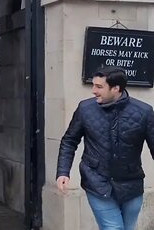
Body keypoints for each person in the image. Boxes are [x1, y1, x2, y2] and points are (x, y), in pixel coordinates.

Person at [56, 66, 154, 230]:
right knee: (113, 228)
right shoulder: (85, 109)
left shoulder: (144, 112)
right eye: (93, 85)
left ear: (116, 88)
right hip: (97, 181)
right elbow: (69, 140)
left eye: (99, 86)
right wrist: (63, 172)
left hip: (132, 183)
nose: (93, 91)